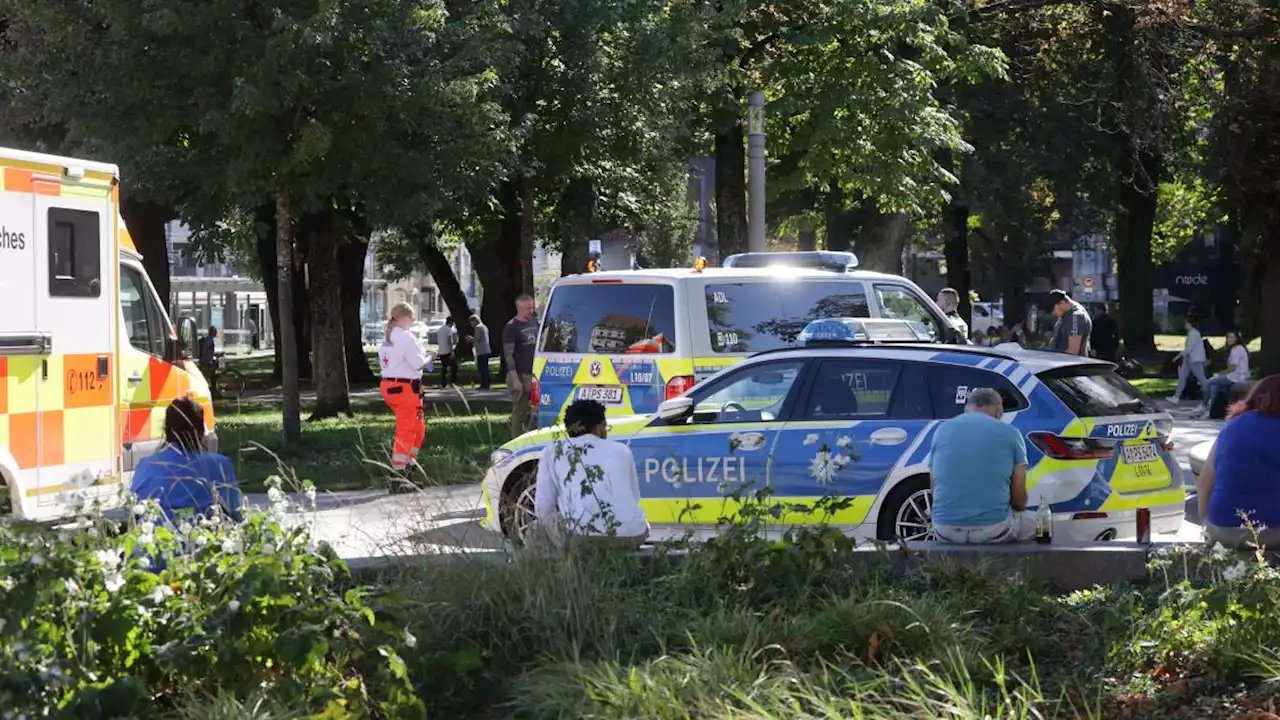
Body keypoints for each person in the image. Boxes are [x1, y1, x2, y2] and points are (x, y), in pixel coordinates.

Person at [533, 399, 648, 551]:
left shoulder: (552, 451)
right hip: (634, 535)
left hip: (584, 537)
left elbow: (543, 509)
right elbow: (634, 498)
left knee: (535, 530)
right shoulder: (622, 450)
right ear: (598, 428)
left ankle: (565, 572)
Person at [929, 388, 1034, 544]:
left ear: (967, 408)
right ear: (999, 411)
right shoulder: (1011, 433)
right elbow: (1018, 501)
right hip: (993, 530)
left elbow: (933, 485)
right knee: (1037, 522)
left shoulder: (941, 430)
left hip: (944, 529)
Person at [131, 397, 244, 526]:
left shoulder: (146, 465)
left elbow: (135, 512)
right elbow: (236, 514)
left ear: (167, 431)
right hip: (202, 540)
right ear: (201, 430)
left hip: (155, 540)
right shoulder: (219, 465)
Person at [1197, 375, 1280, 549]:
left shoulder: (1231, 426)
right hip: (1273, 532)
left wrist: (1207, 523)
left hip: (1222, 529)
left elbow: (1204, 482)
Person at [379, 302, 430, 483]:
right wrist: (431, 356)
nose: (413, 322)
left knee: (417, 428)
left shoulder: (388, 337)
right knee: (407, 429)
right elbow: (418, 363)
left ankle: (410, 463)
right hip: (405, 389)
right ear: (405, 318)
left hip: (392, 387)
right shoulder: (406, 337)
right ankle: (400, 474)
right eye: (412, 318)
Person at [504, 294, 539, 439]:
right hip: (520, 375)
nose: (531, 311)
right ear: (519, 308)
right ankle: (516, 440)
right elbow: (508, 355)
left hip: (535, 374)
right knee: (520, 411)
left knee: (535, 410)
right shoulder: (511, 327)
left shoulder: (534, 323)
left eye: (532, 307)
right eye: (527, 308)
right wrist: (515, 379)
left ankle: (531, 438)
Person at [1194, 331, 1250, 418]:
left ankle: (1203, 405)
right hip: (1236, 375)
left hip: (1236, 376)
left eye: (1232, 337)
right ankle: (1212, 410)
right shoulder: (1237, 348)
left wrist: (1221, 374)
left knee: (1209, 382)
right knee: (1215, 387)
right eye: (1228, 338)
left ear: (1237, 339)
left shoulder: (1236, 349)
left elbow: (1232, 368)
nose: (1229, 339)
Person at [1172, 315, 1209, 405]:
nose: (1185, 325)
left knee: (1201, 378)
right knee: (1182, 377)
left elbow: (1189, 348)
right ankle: (1176, 396)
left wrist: (1178, 356)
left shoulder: (1194, 334)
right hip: (1189, 359)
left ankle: (1210, 396)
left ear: (1189, 324)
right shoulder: (1191, 333)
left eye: (1186, 323)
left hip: (1195, 359)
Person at [1047, 289, 1092, 357]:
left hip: (1071, 365)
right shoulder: (1065, 315)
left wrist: (1054, 359)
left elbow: (1073, 351)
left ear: (1062, 303)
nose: (1053, 313)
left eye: (1053, 309)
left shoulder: (1076, 317)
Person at [470, 314, 492, 390]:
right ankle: (487, 383)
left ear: (474, 321)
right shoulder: (484, 327)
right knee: (485, 367)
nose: (471, 324)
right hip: (486, 349)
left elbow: (477, 339)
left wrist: (470, 339)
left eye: (471, 322)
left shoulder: (478, 327)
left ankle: (484, 384)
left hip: (481, 350)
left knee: (482, 368)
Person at [436, 316, 458, 388]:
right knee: (454, 366)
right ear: (451, 323)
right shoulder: (448, 330)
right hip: (447, 351)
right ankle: (453, 382)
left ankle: (443, 383)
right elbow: (449, 341)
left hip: (442, 351)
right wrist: (452, 351)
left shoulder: (440, 330)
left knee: (444, 368)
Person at [198, 327, 219, 396]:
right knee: (208, 378)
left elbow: (209, 351)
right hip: (206, 362)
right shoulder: (209, 340)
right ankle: (209, 392)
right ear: (213, 332)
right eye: (215, 331)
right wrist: (209, 360)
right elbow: (206, 351)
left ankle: (213, 391)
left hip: (206, 361)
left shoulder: (209, 339)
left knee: (212, 376)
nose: (216, 333)